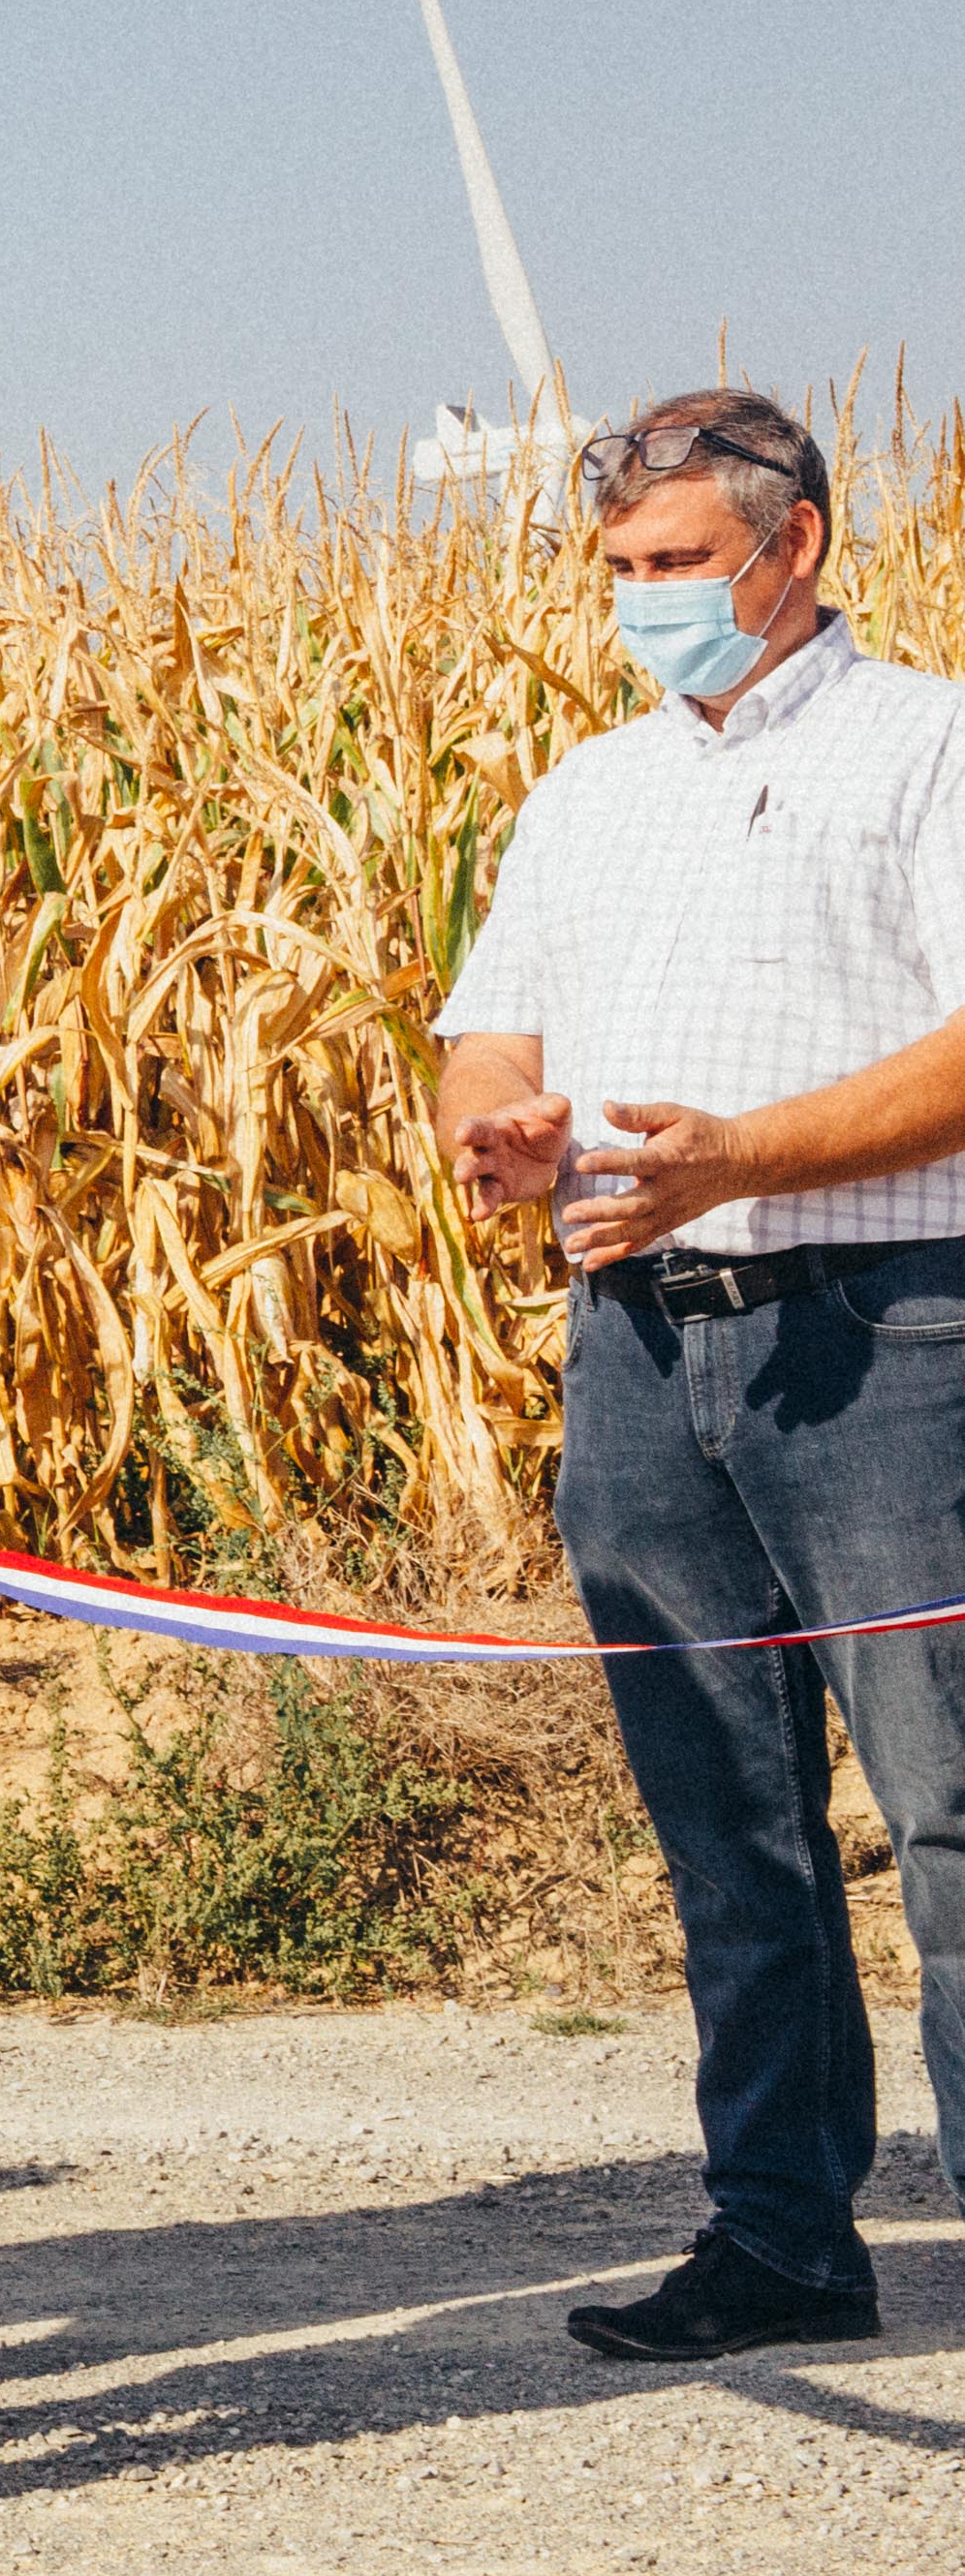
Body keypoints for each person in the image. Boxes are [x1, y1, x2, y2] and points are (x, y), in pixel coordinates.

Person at [435, 383, 965, 2365]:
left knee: (946, 1807)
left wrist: (741, 1155)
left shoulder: (927, 748)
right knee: (722, 1821)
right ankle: (778, 2232)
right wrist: (496, 1131)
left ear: (794, 545)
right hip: (641, 1351)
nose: (644, 602)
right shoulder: (585, 792)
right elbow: (483, 1031)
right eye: (619, 575)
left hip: (885, 1328)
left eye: (676, 567)